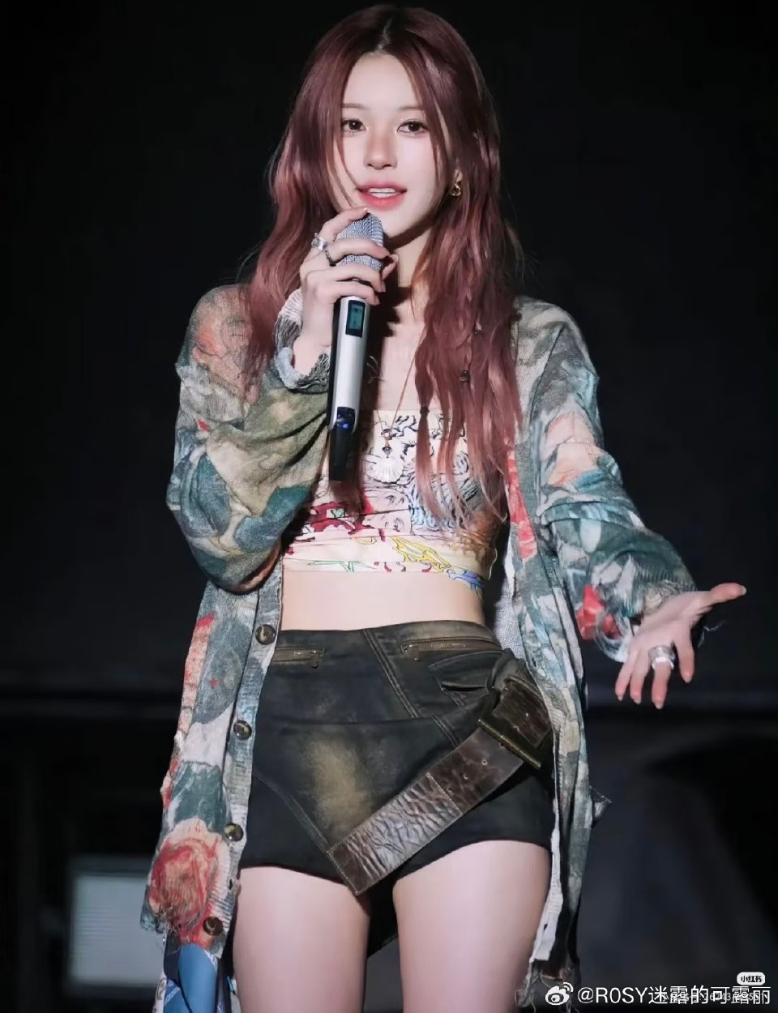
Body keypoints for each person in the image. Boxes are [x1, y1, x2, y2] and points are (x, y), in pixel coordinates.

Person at [140, 6, 745, 1013]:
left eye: (413, 124)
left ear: (461, 155)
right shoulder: (236, 328)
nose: (379, 152)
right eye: (352, 125)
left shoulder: (525, 340)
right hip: (284, 729)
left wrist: (654, 599)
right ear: (317, 147)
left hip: (464, 719)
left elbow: (586, 508)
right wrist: (302, 359)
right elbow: (221, 537)